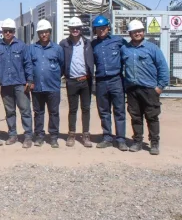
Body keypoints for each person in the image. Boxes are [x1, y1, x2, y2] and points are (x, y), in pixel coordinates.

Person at [121, 20, 169, 155]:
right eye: (134, 32)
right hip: (132, 89)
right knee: (135, 117)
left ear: (143, 32)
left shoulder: (152, 48)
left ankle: (154, 143)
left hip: (149, 89)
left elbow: (163, 68)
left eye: (139, 31)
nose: (137, 33)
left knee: (152, 116)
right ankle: (137, 141)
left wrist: (160, 87)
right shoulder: (125, 49)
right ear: (130, 33)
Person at [0, 18, 34, 148]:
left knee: (25, 110)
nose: (8, 33)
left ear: (14, 32)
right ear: (2, 32)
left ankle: (28, 136)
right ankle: (12, 135)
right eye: (5, 31)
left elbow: (28, 64)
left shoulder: (21, 46)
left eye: (10, 31)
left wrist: (30, 80)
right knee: (9, 111)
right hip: (5, 84)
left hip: (20, 84)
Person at [91, 15, 128, 151]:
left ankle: (121, 139)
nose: (101, 31)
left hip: (116, 80)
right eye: (98, 29)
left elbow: (127, 58)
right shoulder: (93, 45)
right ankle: (107, 137)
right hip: (101, 81)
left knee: (119, 110)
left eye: (103, 28)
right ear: (95, 30)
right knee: (104, 111)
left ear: (108, 28)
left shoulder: (118, 41)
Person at [59, 16, 94, 148]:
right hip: (71, 81)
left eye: (77, 28)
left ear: (81, 29)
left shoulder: (88, 43)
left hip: (86, 80)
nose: (75, 30)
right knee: (72, 109)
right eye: (72, 28)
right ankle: (71, 135)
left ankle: (86, 135)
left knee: (86, 109)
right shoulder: (64, 44)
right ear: (69, 29)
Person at [29, 20, 64, 148]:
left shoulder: (57, 49)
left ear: (50, 33)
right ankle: (39, 136)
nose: (44, 34)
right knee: (38, 112)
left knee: (54, 112)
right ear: (38, 33)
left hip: (53, 86)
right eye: (41, 32)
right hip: (37, 87)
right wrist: (31, 80)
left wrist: (54, 77)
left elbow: (62, 65)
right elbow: (29, 66)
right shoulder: (32, 48)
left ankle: (53, 137)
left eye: (46, 32)